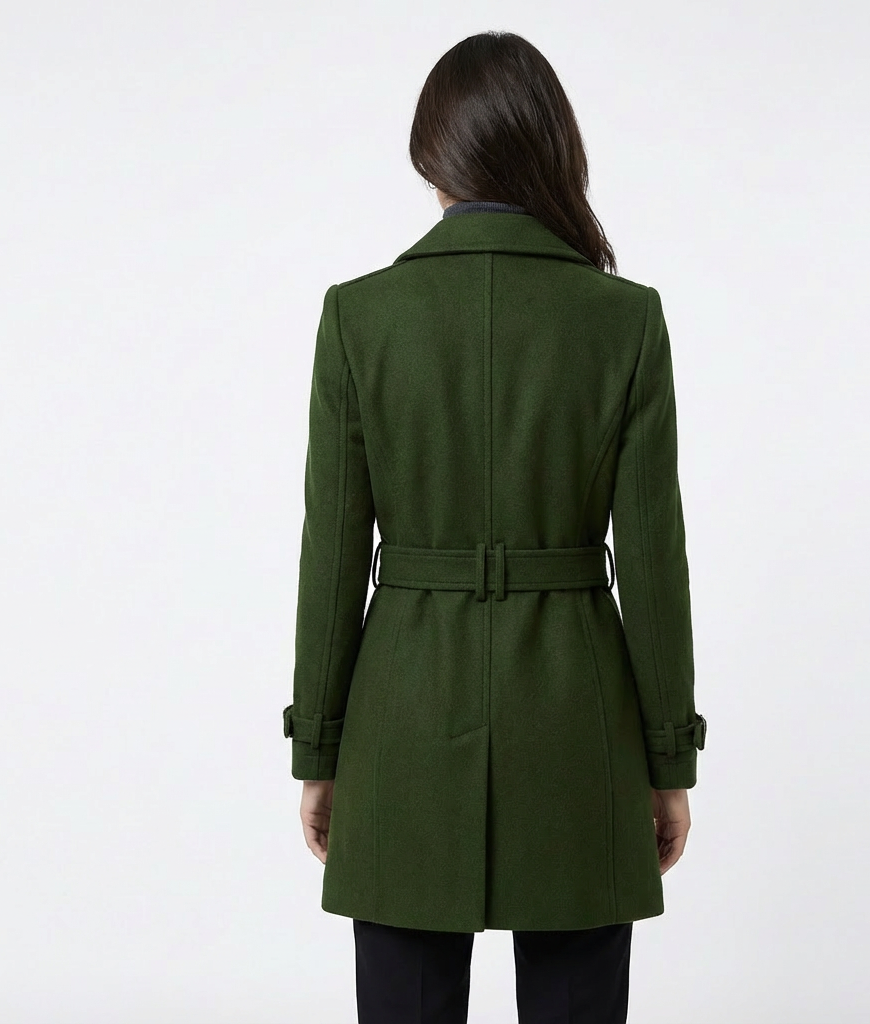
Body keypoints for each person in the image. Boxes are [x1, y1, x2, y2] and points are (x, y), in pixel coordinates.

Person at [283, 30, 707, 1024]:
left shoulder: (360, 318)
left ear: (434, 156)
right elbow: (655, 561)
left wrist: (320, 750)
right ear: (552, 149)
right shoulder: (623, 319)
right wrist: (667, 763)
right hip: (578, 724)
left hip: (400, 722)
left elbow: (331, 555)